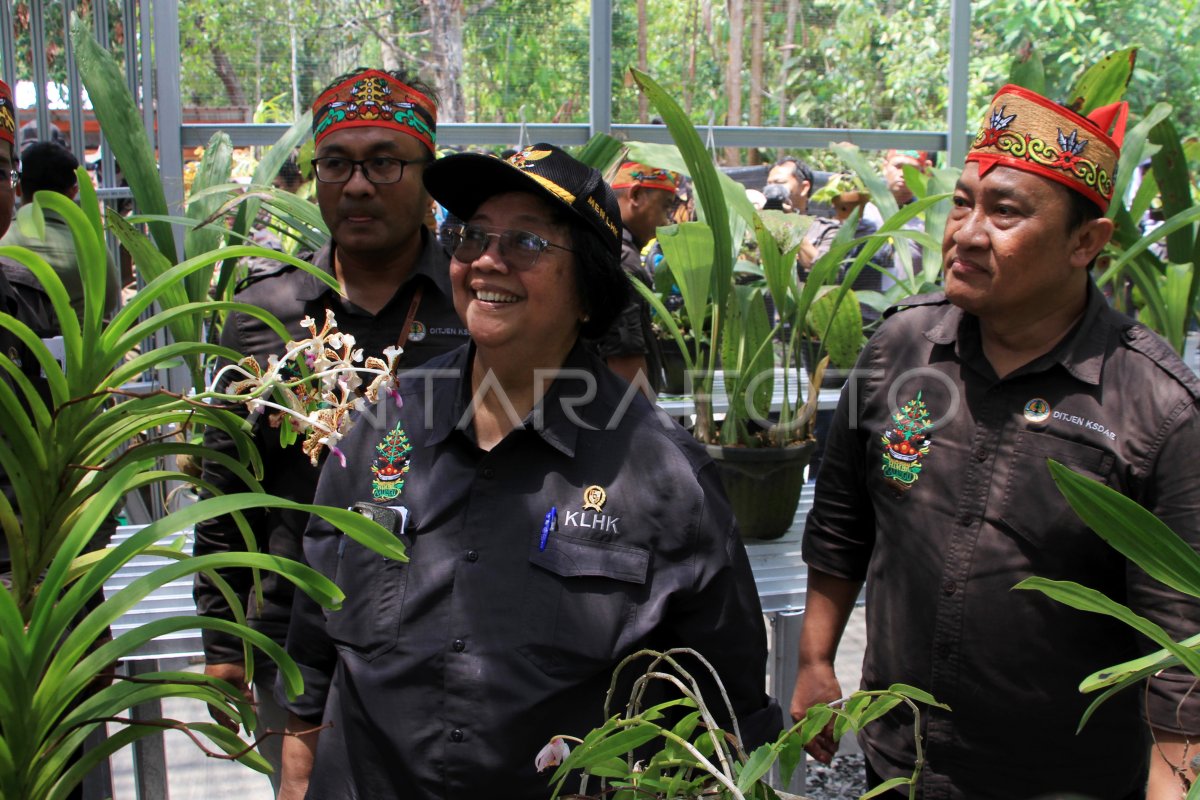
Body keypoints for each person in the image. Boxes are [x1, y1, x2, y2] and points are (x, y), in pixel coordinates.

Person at [276, 144, 782, 800]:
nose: (487, 259)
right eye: (472, 235)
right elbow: (316, 630)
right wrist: (295, 777)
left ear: (588, 290)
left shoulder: (663, 478)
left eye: (526, 241)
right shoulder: (384, 425)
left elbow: (726, 706)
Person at [791, 83, 1200, 798]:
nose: (967, 233)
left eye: (1005, 211)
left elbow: (1179, 644)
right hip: (900, 766)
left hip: (1066, 782)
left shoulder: (1155, 409)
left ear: (1086, 242)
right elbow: (843, 521)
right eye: (962, 202)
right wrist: (816, 658)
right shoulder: (901, 348)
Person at [192, 66, 469, 793]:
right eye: (337, 164)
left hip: (452, 635)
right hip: (294, 636)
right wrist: (223, 639)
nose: (356, 185)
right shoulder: (264, 312)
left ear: (428, 175)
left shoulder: (476, 304)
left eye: (385, 162)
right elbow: (227, 486)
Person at [1, 141, 122, 319]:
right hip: (80, 346)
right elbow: (110, 302)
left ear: (18, 187)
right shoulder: (93, 247)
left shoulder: (4, 242)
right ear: (73, 192)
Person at [588, 160, 677, 397]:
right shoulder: (623, 259)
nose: (666, 221)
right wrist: (643, 424)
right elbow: (623, 354)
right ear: (635, 194)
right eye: (665, 207)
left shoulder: (599, 245)